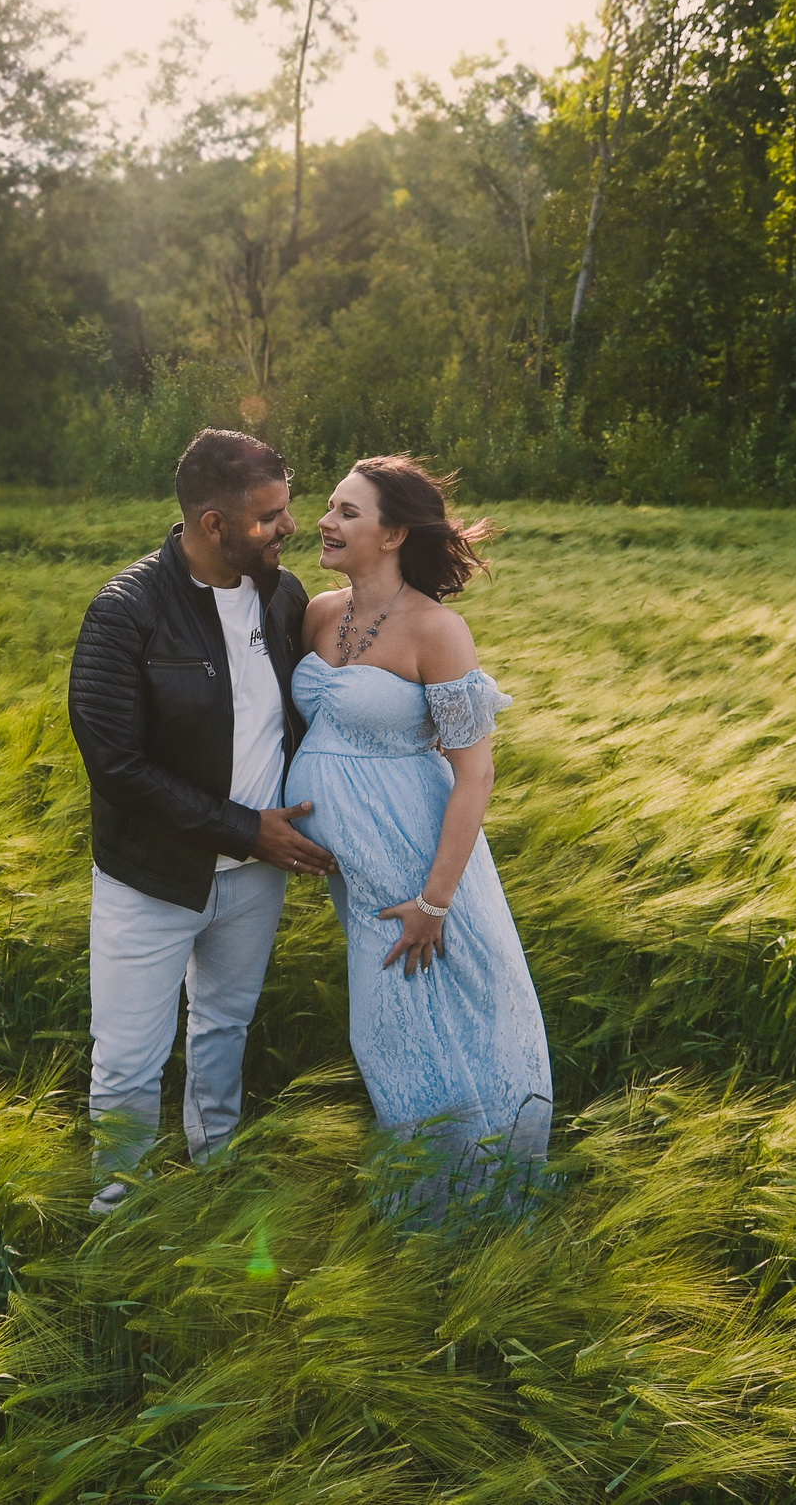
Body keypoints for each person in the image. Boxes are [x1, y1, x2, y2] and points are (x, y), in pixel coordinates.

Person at [68, 429, 337, 1215]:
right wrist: (244, 827)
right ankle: (116, 1206)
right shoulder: (126, 612)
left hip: (254, 879)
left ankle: (215, 1172)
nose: (290, 527)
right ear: (213, 524)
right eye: (270, 516)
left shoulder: (282, 598)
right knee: (127, 1058)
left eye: (288, 509)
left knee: (224, 1028)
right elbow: (116, 764)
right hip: (153, 878)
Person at [285, 455, 552, 1216]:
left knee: (451, 1025)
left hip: (421, 871)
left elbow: (475, 775)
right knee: (389, 1035)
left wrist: (435, 901)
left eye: (347, 512)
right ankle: (425, 1200)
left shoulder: (438, 629)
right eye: (330, 506)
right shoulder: (318, 612)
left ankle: (478, 1200)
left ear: (395, 532)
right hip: (358, 872)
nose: (326, 522)